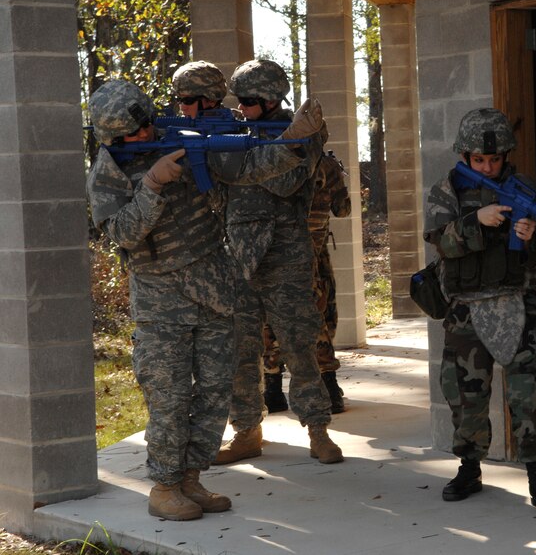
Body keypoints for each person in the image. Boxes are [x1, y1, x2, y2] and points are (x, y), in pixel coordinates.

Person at [85, 79, 325, 520]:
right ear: (112, 138)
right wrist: (151, 187)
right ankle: (164, 486)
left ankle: (191, 479)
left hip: (215, 291)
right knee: (170, 398)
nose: (143, 137)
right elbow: (121, 233)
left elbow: (246, 167)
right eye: (132, 134)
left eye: (145, 126)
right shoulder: (108, 172)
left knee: (215, 393)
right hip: (162, 304)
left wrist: (292, 142)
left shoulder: (179, 141)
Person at [423, 107, 536, 515]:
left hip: (517, 304)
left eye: (495, 159)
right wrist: (476, 222)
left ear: (506, 156)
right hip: (466, 310)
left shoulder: (524, 190)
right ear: (465, 156)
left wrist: (532, 236)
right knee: (465, 394)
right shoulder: (446, 191)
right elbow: (441, 243)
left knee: (530, 394)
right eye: (479, 160)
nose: (487, 166)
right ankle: (470, 467)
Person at [214, 59, 343, 465]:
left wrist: (278, 146)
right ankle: (247, 432)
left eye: (251, 101)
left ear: (271, 100)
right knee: (240, 350)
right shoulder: (237, 133)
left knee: (300, 346)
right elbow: (226, 176)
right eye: (241, 101)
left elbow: (282, 180)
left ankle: (318, 430)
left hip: (286, 253)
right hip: (239, 253)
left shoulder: (305, 136)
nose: (244, 109)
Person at [264, 152, 352, 413]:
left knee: (271, 315)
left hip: (269, 251)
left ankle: (273, 387)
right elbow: (343, 209)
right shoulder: (322, 162)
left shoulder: (257, 157)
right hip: (308, 252)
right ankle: (328, 386)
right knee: (317, 316)